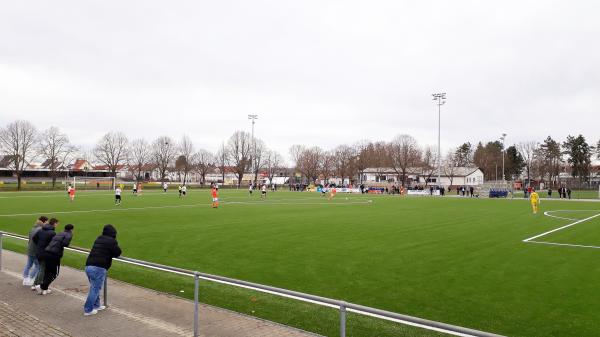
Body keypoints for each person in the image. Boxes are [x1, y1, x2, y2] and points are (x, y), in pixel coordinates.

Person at [84, 225, 122, 316]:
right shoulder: (112, 241)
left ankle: (97, 305)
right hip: (99, 267)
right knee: (95, 288)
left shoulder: (99, 238)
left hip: (89, 265)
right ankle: (88, 310)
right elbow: (117, 252)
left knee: (94, 287)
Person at [40, 224, 74, 295]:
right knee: (54, 273)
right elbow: (65, 243)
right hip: (54, 254)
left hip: (47, 252)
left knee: (47, 271)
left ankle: (44, 288)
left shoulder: (60, 233)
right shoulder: (69, 234)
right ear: (71, 229)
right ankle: (43, 286)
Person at [32, 218, 59, 293]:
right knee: (43, 269)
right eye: (57, 224)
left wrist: (40, 246)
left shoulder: (41, 230)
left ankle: (36, 284)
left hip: (39, 251)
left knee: (41, 268)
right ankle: (37, 285)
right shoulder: (52, 233)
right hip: (45, 253)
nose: (57, 225)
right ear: (54, 224)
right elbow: (53, 244)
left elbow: (34, 238)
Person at [23, 216, 48, 286]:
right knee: (38, 266)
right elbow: (39, 241)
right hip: (35, 251)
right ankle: (31, 279)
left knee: (29, 264)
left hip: (30, 249)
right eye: (47, 222)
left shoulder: (33, 228)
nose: (47, 223)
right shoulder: (41, 230)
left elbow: (30, 239)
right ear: (44, 221)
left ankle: (25, 279)